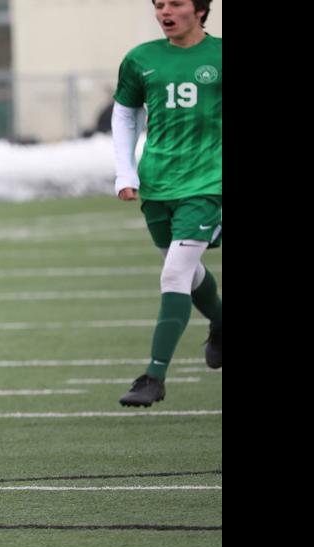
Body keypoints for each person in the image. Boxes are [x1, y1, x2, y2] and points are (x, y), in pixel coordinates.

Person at [112, 0, 222, 407]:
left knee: (174, 274)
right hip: (157, 184)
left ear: (200, 9)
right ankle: (221, 323)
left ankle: (153, 377)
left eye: (175, 3)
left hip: (208, 183)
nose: (165, 12)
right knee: (187, 273)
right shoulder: (140, 59)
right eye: (159, 5)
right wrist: (126, 172)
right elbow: (124, 115)